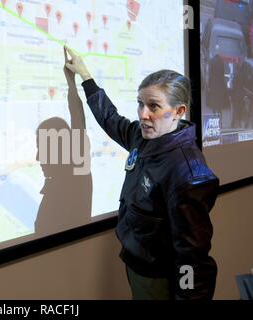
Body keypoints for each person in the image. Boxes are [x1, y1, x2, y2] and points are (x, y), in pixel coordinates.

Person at [64, 46, 219, 300]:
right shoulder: (143, 136)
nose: (144, 114)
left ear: (179, 112)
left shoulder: (188, 174)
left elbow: (193, 257)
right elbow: (110, 118)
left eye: (154, 106)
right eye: (140, 104)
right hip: (137, 265)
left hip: (160, 278)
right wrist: (85, 76)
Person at [34, 51, 93, 236]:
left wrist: (71, 82)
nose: (37, 157)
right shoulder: (72, 177)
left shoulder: (77, 175)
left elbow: (78, 119)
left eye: (42, 149)